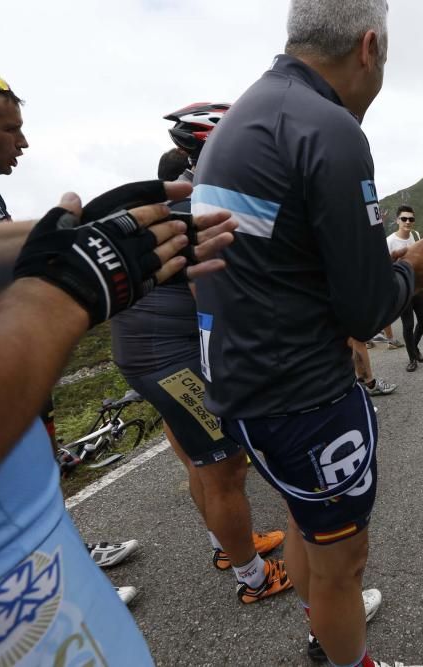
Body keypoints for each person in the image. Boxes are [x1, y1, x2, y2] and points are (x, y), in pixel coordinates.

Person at [0, 11, 236, 663]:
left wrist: (87, 227)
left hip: (26, 543)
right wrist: (64, 294)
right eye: (11, 129)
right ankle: (247, 568)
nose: (25, 144)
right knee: (218, 456)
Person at [191, 2, 423, 664]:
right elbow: (365, 308)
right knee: (345, 558)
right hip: (304, 394)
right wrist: (414, 273)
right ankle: (344, 651)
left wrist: (389, 263)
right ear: (368, 47)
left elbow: (288, 263)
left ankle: (324, 632)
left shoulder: (247, 114)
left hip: (242, 383)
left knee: (308, 526)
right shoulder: (329, 128)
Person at [0, 66, 142, 595]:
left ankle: (67, 560)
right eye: (11, 130)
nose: (24, 141)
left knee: (40, 467)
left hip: (12, 355)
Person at [111, 103, 296, 605]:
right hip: (171, 357)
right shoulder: (204, 203)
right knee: (225, 468)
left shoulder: (188, 199)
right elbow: (212, 295)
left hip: (148, 353)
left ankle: (227, 546)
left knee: (199, 461)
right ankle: (252, 577)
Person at [388, 206, 423, 372]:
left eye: (411, 219)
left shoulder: (415, 236)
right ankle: (412, 358)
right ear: (397, 220)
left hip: (418, 287)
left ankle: (414, 346)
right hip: (402, 290)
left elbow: (420, 262)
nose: (407, 222)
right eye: (404, 219)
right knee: (407, 325)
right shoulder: (390, 241)